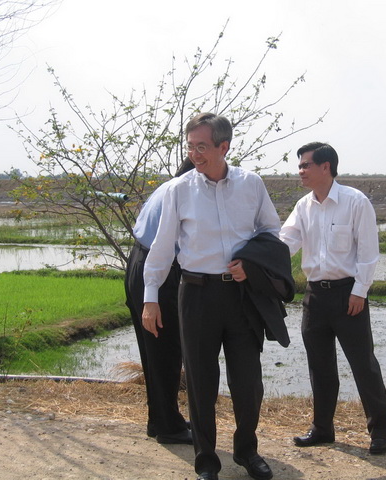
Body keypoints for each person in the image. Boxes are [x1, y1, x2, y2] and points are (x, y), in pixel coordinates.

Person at [142, 113, 291, 480]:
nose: (194, 154)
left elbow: (270, 229)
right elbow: (162, 247)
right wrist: (150, 297)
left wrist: (251, 265)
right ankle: (207, 461)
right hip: (196, 295)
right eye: (190, 146)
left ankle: (246, 451)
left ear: (224, 147)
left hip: (241, 296)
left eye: (202, 147)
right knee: (200, 383)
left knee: (248, 381)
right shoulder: (179, 190)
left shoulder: (251, 184)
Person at [279, 142, 386, 455]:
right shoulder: (303, 206)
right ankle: (322, 428)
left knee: (363, 364)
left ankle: (380, 431)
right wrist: (255, 257)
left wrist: (360, 291)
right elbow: (285, 243)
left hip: (348, 295)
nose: (300, 171)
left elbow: (369, 252)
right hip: (315, 296)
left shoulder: (355, 202)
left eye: (305, 165)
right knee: (320, 366)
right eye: (300, 166)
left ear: (325, 167)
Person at [124, 159, 194, 445]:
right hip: (158, 270)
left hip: (139, 263)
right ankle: (168, 427)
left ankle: (160, 419)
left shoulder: (166, 188)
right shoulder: (183, 193)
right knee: (166, 349)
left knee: (153, 351)